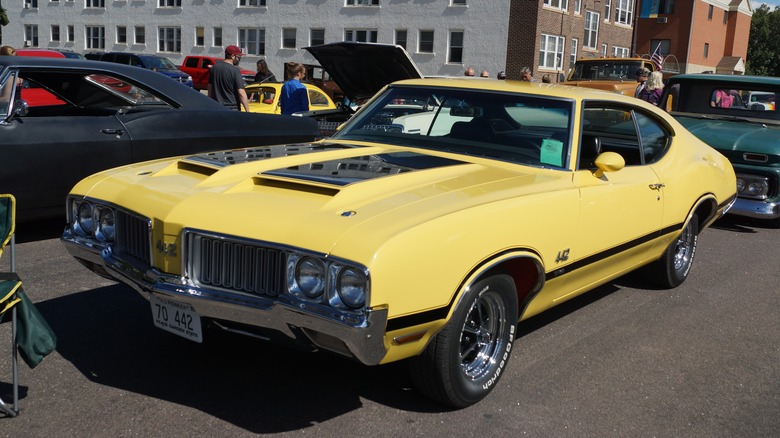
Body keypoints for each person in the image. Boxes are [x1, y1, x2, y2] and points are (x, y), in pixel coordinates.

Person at [207, 45, 250, 112]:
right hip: (231, 108)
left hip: (216, 107)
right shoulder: (235, 70)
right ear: (232, 56)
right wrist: (247, 111)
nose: (239, 60)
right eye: (239, 57)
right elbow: (241, 93)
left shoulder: (214, 68)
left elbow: (210, 87)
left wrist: (210, 103)